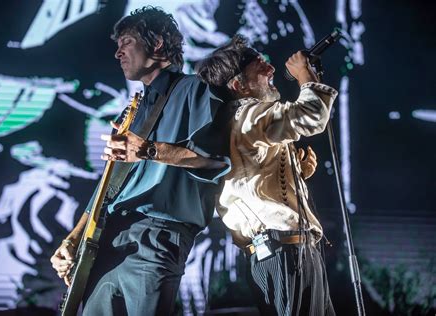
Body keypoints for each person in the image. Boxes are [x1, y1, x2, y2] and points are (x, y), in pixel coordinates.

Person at [50, 6, 230, 315]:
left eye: (127, 41)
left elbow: (215, 161)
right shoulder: (132, 111)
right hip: (110, 239)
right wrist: (74, 237)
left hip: (159, 235)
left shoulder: (195, 89)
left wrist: (147, 150)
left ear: (157, 43)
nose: (118, 53)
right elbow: (107, 185)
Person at [196, 35, 337, 315]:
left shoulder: (242, 121)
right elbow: (312, 114)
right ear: (238, 85)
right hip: (283, 250)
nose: (271, 69)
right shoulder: (250, 114)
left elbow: (252, 181)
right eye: (260, 66)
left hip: (287, 249)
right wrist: (305, 76)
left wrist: (297, 173)